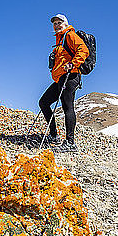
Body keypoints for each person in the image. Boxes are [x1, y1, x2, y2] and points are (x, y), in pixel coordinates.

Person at [38, 14, 89, 152]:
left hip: (71, 76)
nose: (56, 25)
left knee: (67, 107)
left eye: (59, 22)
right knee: (43, 102)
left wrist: (72, 64)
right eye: (54, 23)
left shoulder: (69, 35)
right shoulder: (59, 41)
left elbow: (84, 50)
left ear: (65, 24)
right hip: (61, 78)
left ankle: (70, 143)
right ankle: (54, 135)